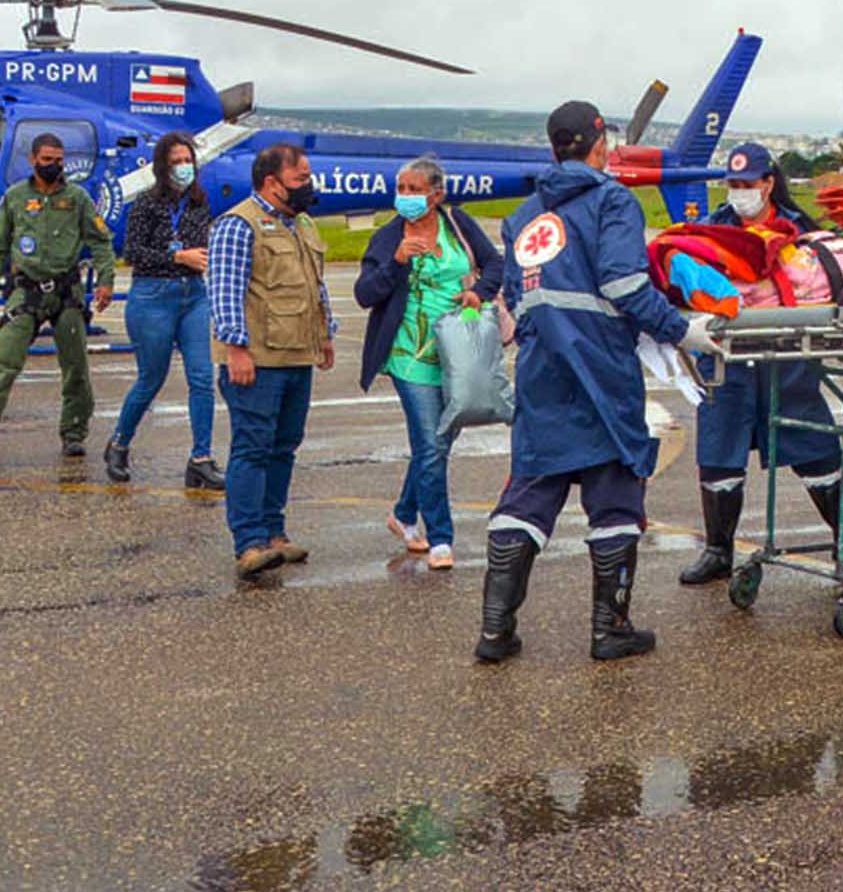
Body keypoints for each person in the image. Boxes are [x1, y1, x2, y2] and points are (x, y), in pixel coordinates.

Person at [476, 100, 710, 664]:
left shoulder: (526, 215)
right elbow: (626, 285)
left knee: (528, 495)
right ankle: (611, 629)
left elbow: (518, 297)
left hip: (541, 372)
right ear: (600, 143)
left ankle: (494, 632)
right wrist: (682, 330)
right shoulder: (612, 201)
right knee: (616, 499)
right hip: (601, 371)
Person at [678, 141, 843, 585]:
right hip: (729, 355)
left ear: (767, 183)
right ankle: (717, 550)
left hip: (786, 354)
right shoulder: (710, 230)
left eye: (747, 184)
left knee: (812, 443)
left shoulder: (800, 231)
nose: (739, 192)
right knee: (719, 448)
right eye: (733, 184)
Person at [354, 155, 503, 571]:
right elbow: (365, 294)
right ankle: (440, 536)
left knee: (438, 443)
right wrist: (396, 263)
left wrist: (480, 293)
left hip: (458, 352)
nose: (405, 197)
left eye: (414, 189)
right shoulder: (388, 238)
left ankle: (403, 514)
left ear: (436, 195)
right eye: (401, 189)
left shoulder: (458, 223)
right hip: (409, 353)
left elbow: (495, 264)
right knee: (431, 442)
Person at [209, 142, 336, 578]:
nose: (308, 186)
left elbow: (314, 285)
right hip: (258, 358)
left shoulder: (300, 224)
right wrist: (236, 348)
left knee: (284, 446)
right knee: (252, 446)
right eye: (300, 179)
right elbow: (225, 291)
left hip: (297, 353)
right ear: (271, 182)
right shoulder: (238, 225)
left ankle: (274, 531)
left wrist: (326, 334)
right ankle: (249, 543)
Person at [0, 132, 116, 464]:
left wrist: (106, 280)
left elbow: (101, 241)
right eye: (47, 160)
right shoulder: (15, 198)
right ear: (33, 160)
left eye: (59, 160)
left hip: (66, 292)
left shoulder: (77, 199)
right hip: (27, 290)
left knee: (76, 368)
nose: (54, 166)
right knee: (4, 363)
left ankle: (74, 433)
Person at [105, 132, 223, 489]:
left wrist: (201, 259)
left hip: (193, 294)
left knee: (202, 377)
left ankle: (201, 458)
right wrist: (176, 256)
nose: (183, 168)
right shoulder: (146, 204)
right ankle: (119, 442)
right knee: (151, 379)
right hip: (154, 294)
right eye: (176, 161)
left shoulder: (201, 203)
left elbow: (202, 244)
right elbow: (131, 253)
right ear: (162, 166)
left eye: (188, 161)